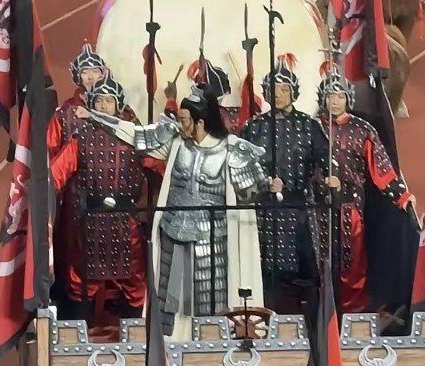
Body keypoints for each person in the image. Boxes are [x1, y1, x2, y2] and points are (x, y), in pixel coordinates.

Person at [78, 83, 272, 340]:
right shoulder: (175, 142)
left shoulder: (231, 149)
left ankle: (209, 343)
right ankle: (170, 342)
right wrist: (95, 117)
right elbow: (135, 135)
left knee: (208, 297)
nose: (180, 124)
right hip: (172, 229)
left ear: (200, 122)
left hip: (211, 237)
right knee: (169, 299)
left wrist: (268, 186)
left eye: (184, 119)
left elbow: (251, 194)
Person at [242, 55, 339, 314]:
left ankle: (310, 321)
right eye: (274, 89)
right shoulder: (253, 127)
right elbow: (241, 168)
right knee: (267, 274)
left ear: (293, 92)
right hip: (265, 210)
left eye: (284, 89)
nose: (278, 94)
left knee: (307, 273)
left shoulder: (309, 126)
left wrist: (331, 176)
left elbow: (327, 159)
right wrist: (263, 184)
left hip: (299, 208)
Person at [315, 65, 413, 313]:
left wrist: (402, 196)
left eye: (340, 96)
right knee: (320, 264)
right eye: (330, 96)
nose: (335, 101)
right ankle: (323, 317)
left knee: (352, 267)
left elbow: (381, 168)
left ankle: (353, 315)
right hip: (317, 211)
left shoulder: (362, 130)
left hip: (351, 211)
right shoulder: (312, 128)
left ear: (348, 99)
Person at [50, 74, 148, 321]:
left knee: (134, 282)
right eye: (99, 101)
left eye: (109, 101)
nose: (104, 106)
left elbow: (159, 167)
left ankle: (136, 335)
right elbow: (56, 174)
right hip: (88, 224)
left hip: (126, 224)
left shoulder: (135, 137)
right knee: (81, 283)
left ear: (119, 105)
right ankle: (78, 332)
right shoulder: (81, 138)